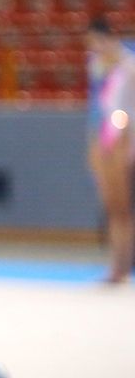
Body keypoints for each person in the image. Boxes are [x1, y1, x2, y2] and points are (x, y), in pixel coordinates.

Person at [85, 17, 135, 284]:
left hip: (124, 137)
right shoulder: (96, 65)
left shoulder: (128, 66)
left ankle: (124, 265)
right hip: (105, 137)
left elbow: (125, 111)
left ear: (109, 39)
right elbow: (97, 108)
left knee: (124, 208)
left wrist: (123, 139)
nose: (94, 48)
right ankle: (118, 266)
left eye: (96, 42)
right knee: (113, 207)